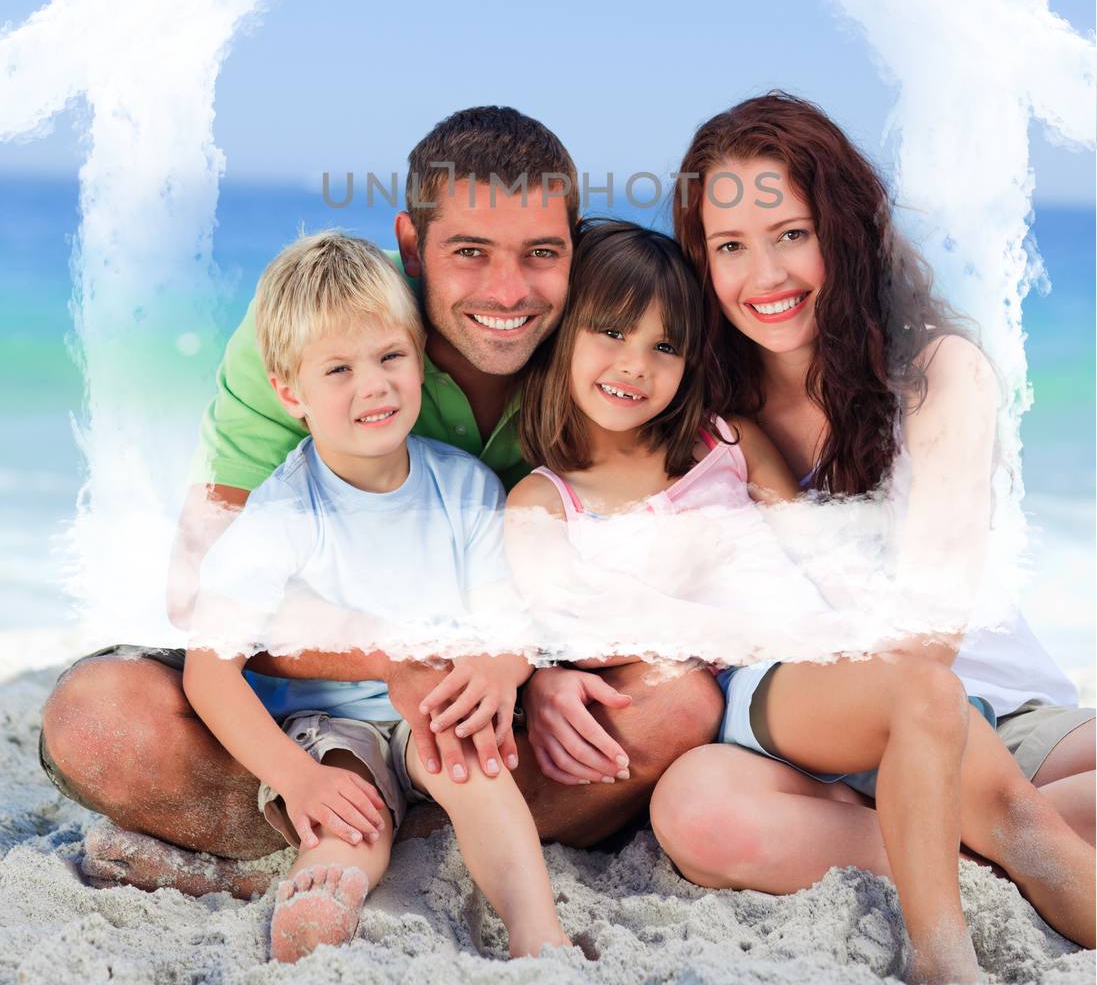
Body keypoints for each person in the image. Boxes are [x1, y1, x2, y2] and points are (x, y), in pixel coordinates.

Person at [40, 106, 723, 896]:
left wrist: (530, 667)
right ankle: (346, 830)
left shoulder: (603, 354)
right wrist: (394, 654)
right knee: (96, 718)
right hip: (318, 700)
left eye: (541, 254)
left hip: (487, 700)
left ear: (572, 251)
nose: (508, 290)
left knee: (675, 705)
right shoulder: (321, 343)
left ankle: (339, 854)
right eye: (469, 252)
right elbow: (198, 593)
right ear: (411, 244)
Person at [506, 219, 1094, 983]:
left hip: (844, 665)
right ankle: (944, 961)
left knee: (1023, 822)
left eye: (665, 346)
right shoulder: (546, 503)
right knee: (922, 696)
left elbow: (816, 550)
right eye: (610, 332)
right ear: (562, 335)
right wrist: (730, 619)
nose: (634, 365)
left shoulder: (724, 438)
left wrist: (861, 627)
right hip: (761, 681)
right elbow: (582, 620)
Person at [648, 92, 1096, 916]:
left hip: (986, 714)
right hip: (803, 740)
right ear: (700, 262)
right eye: (730, 246)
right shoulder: (699, 404)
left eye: (791, 234)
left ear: (843, 232)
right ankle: (1006, 847)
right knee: (696, 812)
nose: (765, 276)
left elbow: (927, 639)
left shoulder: (936, 374)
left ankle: (975, 842)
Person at [184, 230, 567, 962]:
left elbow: (505, 621)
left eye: (390, 357)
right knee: (345, 808)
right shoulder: (282, 513)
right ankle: (323, 903)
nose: (374, 385)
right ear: (290, 391)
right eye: (338, 369)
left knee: (471, 761)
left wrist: (497, 669)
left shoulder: (463, 487)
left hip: (437, 706)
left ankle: (535, 935)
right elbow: (209, 670)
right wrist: (295, 777)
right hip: (336, 725)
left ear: (418, 357)